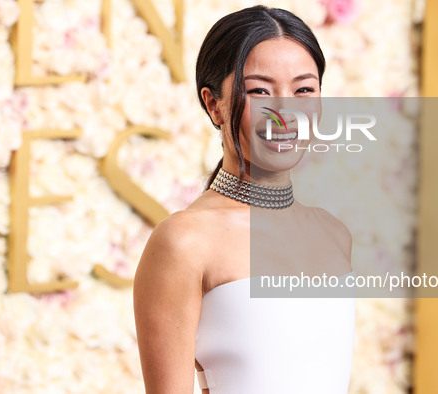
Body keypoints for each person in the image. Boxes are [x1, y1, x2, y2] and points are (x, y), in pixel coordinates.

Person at [134, 5, 356, 394]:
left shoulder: (333, 233)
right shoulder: (184, 241)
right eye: (259, 91)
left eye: (304, 89)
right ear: (213, 104)